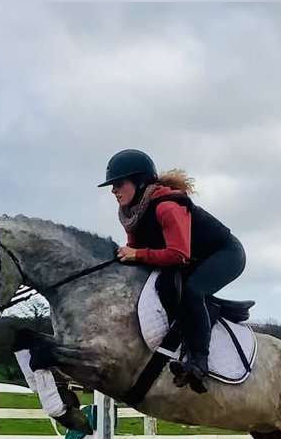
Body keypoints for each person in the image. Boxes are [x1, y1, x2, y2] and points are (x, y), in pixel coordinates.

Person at [100, 148, 245, 390]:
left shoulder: (166, 207)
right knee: (162, 285)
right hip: (193, 258)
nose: (114, 190)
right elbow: (136, 250)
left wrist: (137, 254)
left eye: (119, 183)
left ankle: (200, 363)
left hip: (225, 254)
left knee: (192, 291)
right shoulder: (130, 213)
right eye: (112, 186)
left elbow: (178, 254)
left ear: (139, 181)